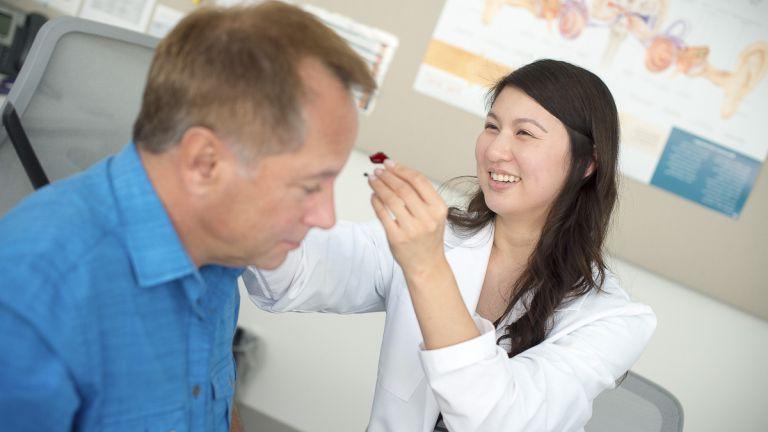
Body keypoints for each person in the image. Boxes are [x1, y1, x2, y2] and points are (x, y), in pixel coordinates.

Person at [0, 2, 375, 431]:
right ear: (204, 163)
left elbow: (213, 407)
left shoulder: (215, 252)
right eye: (310, 186)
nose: (326, 217)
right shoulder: (30, 305)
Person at [244, 59, 656, 431]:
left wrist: (427, 267)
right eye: (492, 126)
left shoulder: (615, 319)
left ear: (588, 163)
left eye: (525, 134)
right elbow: (296, 275)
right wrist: (258, 190)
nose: (495, 150)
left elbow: (497, 420)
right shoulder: (436, 236)